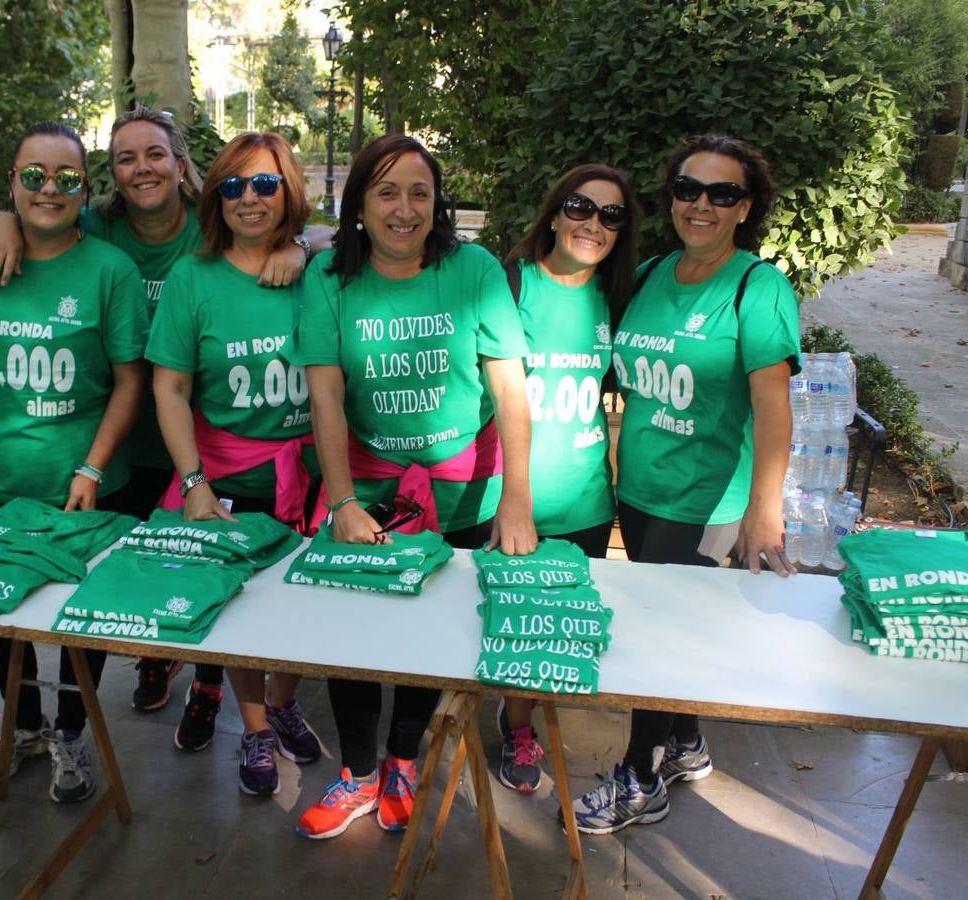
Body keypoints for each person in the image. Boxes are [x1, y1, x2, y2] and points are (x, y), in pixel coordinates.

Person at [0, 105, 330, 751]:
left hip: (203, 443)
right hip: (121, 447)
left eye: (155, 154)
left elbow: (327, 235)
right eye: (125, 158)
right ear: (109, 175)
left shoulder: (212, 225)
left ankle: (206, 687)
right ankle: (145, 666)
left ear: (181, 163)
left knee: (216, 580)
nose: (142, 168)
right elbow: (37, 206)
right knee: (148, 583)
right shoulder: (100, 229)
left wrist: (299, 244)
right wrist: (2, 217)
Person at [291, 133, 537, 839]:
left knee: (432, 630)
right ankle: (360, 773)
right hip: (363, 483)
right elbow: (327, 396)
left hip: (461, 486)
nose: (404, 209)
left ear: (438, 203)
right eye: (387, 192)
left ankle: (403, 757)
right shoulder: (330, 277)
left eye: (420, 192)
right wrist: (339, 501)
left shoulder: (475, 269)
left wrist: (517, 503)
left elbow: (511, 393)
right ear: (360, 205)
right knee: (353, 633)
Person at [569, 134, 799, 835]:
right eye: (687, 189)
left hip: (708, 502)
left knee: (655, 640)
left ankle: (641, 778)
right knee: (670, 628)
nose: (700, 204)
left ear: (744, 207)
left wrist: (765, 511)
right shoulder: (649, 274)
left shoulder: (758, 288)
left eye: (721, 193)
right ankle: (688, 742)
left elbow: (774, 410)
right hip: (638, 493)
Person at [0, 121, 148, 805]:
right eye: (33, 176)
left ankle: (68, 730)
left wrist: (90, 468)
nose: (48, 190)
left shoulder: (109, 270)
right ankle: (23, 726)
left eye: (66, 178)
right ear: (11, 181)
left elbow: (130, 380)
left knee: (80, 622)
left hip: (83, 488)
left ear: (85, 191)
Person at [148, 131, 322, 796]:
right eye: (233, 186)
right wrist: (195, 484)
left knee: (303, 607)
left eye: (265, 184)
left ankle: (283, 701)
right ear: (216, 197)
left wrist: (303, 247)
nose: (249, 199)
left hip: (311, 474)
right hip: (229, 476)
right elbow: (169, 386)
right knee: (243, 613)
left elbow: (353, 240)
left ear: (289, 194)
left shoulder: (317, 268)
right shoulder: (193, 277)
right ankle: (253, 727)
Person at [495, 163, 640, 793]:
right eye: (580, 207)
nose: (593, 223)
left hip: (585, 499)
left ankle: (524, 717)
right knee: (510, 622)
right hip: (512, 497)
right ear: (554, 212)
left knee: (554, 627)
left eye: (610, 214)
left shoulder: (616, 295)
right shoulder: (509, 282)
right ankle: (518, 723)